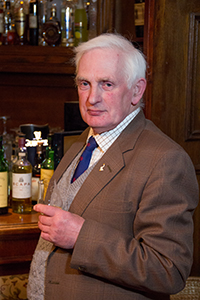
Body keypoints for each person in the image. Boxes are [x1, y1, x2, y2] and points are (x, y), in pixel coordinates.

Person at [27, 33, 199, 300]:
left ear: (136, 90)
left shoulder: (165, 159)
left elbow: (169, 271)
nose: (91, 98)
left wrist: (80, 236)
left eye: (107, 84)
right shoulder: (82, 141)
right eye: (85, 83)